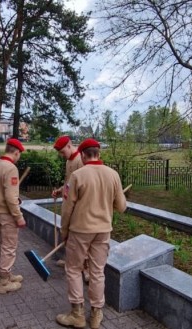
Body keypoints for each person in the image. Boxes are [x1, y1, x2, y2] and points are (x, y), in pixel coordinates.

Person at [57, 138, 127, 329]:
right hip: (103, 231)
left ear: (82, 154)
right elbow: (121, 207)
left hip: (80, 231)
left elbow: (67, 208)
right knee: (97, 272)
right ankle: (96, 315)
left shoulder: (77, 176)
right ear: (99, 153)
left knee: (73, 269)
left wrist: (64, 231)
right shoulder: (113, 175)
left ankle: (77, 314)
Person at [0, 138, 27, 294]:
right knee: (9, 246)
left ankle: (7, 273)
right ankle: (3, 282)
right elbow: (10, 197)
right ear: (16, 152)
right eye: (19, 154)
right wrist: (18, 216)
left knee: (4, 244)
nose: (19, 157)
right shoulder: (10, 168)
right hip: (7, 214)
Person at [51, 135, 85, 269]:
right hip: (68, 203)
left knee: (80, 237)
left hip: (78, 206)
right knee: (69, 235)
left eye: (62, 151)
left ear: (69, 146)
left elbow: (83, 185)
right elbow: (68, 183)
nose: (61, 155)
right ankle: (70, 260)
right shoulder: (68, 162)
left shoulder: (80, 161)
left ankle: (85, 269)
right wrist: (60, 190)